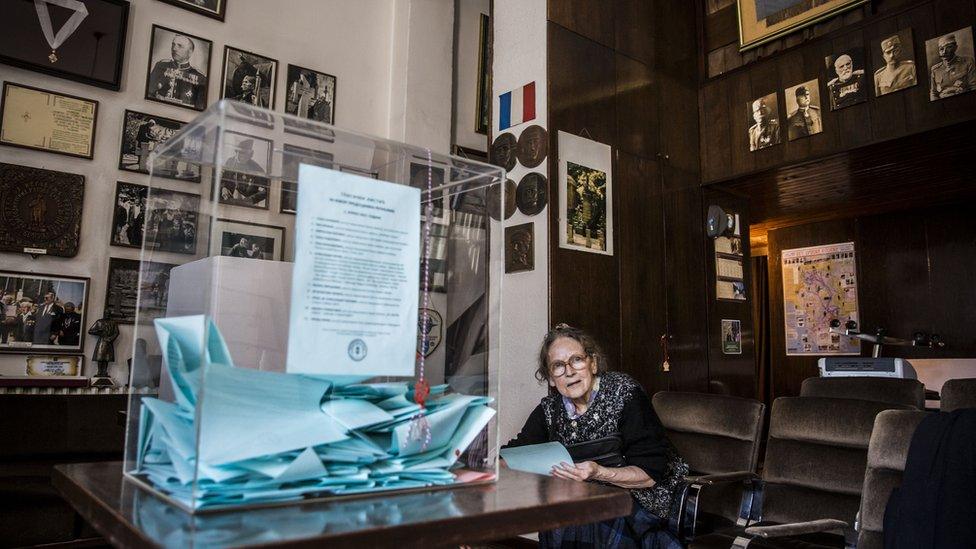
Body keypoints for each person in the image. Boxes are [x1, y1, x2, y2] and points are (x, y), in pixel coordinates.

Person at [504, 324, 688, 548]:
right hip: (588, 498)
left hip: (646, 499)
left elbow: (650, 475)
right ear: (551, 378)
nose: (569, 371)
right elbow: (517, 452)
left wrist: (598, 472)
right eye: (558, 366)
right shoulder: (549, 410)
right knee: (561, 510)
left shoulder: (624, 393)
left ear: (593, 363)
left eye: (576, 360)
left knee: (586, 512)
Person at [147, 34, 207, 110]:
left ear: (190, 52)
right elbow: (148, 94)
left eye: (180, 46)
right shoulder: (160, 66)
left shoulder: (200, 77)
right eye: (173, 44)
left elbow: (199, 109)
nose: (174, 48)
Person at [220, 139, 268, 206]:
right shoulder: (230, 161)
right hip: (228, 201)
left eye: (245, 154)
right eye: (238, 152)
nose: (241, 156)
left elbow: (268, 190)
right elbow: (222, 179)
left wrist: (252, 199)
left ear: (251, 155)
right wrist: (223, 188)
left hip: (246, 204)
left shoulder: (257, 169)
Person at [930, 33, 976, 100]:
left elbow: (974, 86)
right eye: (941, 49)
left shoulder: (968, 62)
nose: (944, 52)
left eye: (949, 47)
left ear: (955, 47)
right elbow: (933, 93)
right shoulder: (935, 69)